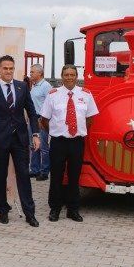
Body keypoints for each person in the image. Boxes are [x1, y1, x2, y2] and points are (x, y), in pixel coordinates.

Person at [0, 55, 41, 227]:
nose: (8, 71)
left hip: (20, 139)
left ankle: (29, 213)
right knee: (1, 176)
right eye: (5, 68)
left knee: (24, 175)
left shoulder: (23, 86)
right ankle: (3, 210)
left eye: (11, 68)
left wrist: (36, 134)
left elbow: (31, 112)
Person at [39, 64, 99, 222]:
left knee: (74, 177)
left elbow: (90, 118)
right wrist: (54, 130)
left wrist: (79, 130)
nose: (69, 77)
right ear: (62, 76)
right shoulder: (53, 95)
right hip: (58, 142)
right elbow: (44, 120)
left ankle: (73, 210)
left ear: (77, 76)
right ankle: (55, 209)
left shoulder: (85, 94)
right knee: (56, 177)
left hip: (77, 142)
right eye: (66, 75)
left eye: (72, 74)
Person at [28, 64, 52, 181]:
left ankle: (45, 171)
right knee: (33, 145)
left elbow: (50, 104)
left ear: (40, 73)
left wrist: (42, 120)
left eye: (32, 72)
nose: (30, 74)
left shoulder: (46, 86)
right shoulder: (34, 86)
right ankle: (35, 169)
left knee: (43, 146)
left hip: (41, 119)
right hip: (32, 119)